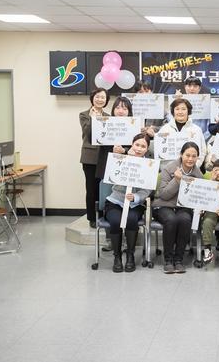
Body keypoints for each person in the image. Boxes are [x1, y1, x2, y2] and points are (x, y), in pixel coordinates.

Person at [103, 133, 153, 273]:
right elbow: (112, 177)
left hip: (135, 204)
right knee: (115, 221)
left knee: (131, 219)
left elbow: (147, 189)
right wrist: (125, 158)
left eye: (143, 146)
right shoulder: (122, 159)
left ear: (147, 149)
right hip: (115, 201)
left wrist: (136, 197)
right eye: (137, 144)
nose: (139, 148)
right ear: (132, 145)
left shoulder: (150, 165)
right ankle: (117, 256)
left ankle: (130, 255)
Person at [152, 142, 203, 274]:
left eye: (194, 156)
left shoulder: (198, 174)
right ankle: (168, 260)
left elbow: (199, 196)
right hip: (164, 205)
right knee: (171, 220)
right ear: (181, 155)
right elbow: (163, 195)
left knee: (185, 220)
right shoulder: (169, 168)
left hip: (183, 207)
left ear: (197, 157)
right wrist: (177, 180)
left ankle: (179, 259)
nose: (190, 159)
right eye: (187, 155)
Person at [79, 87, 109, 228]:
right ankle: (92, 217)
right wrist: (93, 118)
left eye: (103, 97)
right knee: (91, 189)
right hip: (89, 157)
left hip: (105, 156)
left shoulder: (109, 116)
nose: (100, 99)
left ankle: (102, 215)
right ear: (92, 98)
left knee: (103, 188)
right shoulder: (84, 114)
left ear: (106, 100)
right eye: (97, 97)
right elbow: (87, 133)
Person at [156, 98, 206, 169]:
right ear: (173, 111)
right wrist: (167, 170)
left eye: (183, 109)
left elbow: (202, 152)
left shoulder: (197, 130)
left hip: (191, 170)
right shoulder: (164, 129)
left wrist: (193, 167)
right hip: (169, 171)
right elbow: (159, 153)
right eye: (177, 109)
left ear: (188, 111)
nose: (180, 112)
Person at [95, 96, 133, 180]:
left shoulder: (134, 126)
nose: (120, 111)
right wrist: (95, 122)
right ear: (113, 110)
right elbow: (91, 138)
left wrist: (124, 150)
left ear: (129, 112)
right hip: (106, 166)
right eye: (117, 108)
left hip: (126, 169)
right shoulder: (104, 123)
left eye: (124, 109)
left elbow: (135, 147)